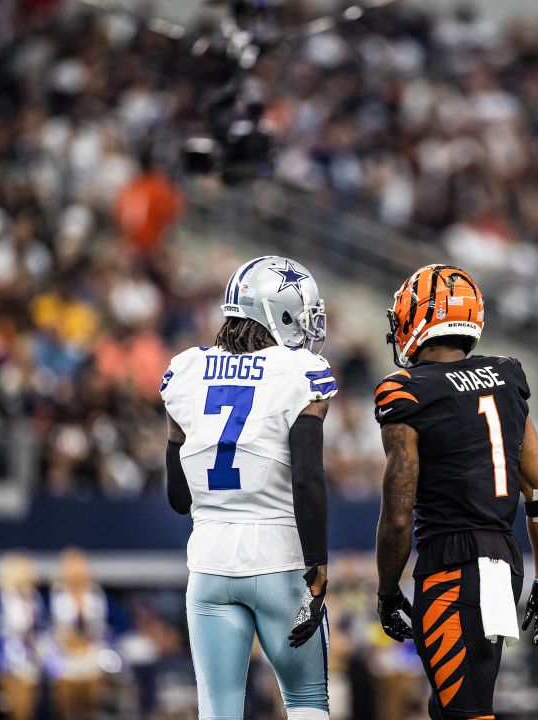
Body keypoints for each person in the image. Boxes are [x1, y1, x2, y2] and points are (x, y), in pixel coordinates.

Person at [372, 264, 538, 720]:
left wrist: (385, 591)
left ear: (417, 317)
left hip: (452, 566)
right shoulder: (506, 376)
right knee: (453, 707)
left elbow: (398, 513)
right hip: (504, 562)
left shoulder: (407, 390)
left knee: (464, 712)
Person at [161, 255, 334, 719]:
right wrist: (317, 564)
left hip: (209, 564)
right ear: (278, 312)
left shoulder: (186, 370)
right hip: (280, 559)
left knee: (218, 710)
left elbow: (178, 499)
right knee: (306, 701)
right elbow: (307, 479)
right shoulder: (299, 372)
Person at [47, 548, 126, 720]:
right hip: (66, 653)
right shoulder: (57, 595)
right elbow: (55, 627)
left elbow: (103, 625)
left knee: (92, 700)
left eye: (79, 570)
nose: (76, 575)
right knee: (68, 701)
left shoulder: (95, 594)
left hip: (91, 650)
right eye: (71, 570)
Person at [0, 551, 47, 720]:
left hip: (31, 657)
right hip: (3, 659)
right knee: (21, 688)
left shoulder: (34, 599)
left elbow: (41, 628)